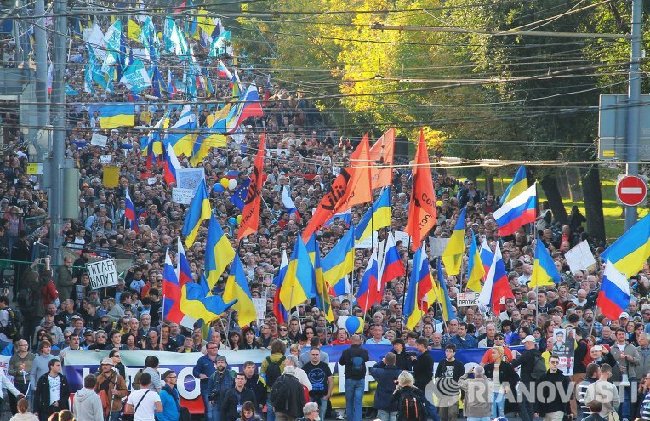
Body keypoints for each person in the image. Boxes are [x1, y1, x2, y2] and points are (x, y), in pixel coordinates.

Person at [610, 327, 641, 420]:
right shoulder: (612, 349)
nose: (621, 336)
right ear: (616, 336)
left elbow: (638, 361)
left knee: (632, 399)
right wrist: (617, 366)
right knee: (620, 399)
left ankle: (630, 418)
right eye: (619, 334)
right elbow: (609, 362)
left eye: (623, 334)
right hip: (617, 377)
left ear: (625, 335)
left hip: (631, 376)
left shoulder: (632, 347)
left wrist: (630, 358)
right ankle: (621, 417)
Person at [510, 335, 542, 421]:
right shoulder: (538, 353)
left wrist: (513, 356)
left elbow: (514, 364)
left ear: (528, 343)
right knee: (530, 404)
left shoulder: (527, 354)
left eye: (525, 343)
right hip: (535, 381)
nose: (524, 345)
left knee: (522, 404)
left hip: (526, 382)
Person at [338, 334, 369, 421]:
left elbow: (341, 362)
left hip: (349, 379)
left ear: (351, 340)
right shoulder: (364, 351)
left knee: (349, 402)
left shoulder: (346, 351)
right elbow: (366, 359)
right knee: (358, 402)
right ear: (360, 341)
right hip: (360, 379)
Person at [483, 346, 519, 419]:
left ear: (500, 354)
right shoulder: (488, 367)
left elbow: (515, 377)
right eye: (491, 353)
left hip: (502, 392)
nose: (492, 355)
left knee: (501, 412)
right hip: (491, 392)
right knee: (492, 413)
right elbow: (483, 378)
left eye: (494, 353)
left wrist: (508, 385)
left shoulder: (507, 366)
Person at [534, 354, 571, 421]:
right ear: (549, 363)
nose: (555, 364)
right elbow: (538, 394)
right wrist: (536, 409)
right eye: (553, 362)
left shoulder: (563, 378)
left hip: (558, 409)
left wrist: (569, 411)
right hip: (545, 410)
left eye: (556, 362)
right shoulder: (543, 377)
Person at [433, 343, 464, 421]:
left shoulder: (459, 364)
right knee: (442, 415)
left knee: (452, 414)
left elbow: (462, 379)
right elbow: (437, 376)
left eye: (450, 351)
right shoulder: (442, 362)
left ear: (454, 353)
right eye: (446, 351)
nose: (448, 353)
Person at [302, 347, 333, 421]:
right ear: (310, 355)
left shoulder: (325, 366)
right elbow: (302, 383)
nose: (315, 356)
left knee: (321, 418)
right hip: (310, 397)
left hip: (323, 396)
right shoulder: (305, 367)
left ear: (320, 355)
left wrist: (328, 395)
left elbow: (331, 380)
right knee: (309, 418)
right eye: (313, 354)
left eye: (316, 354)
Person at [369, 352, 402, 421]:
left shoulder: (380, 372)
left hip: (382, 401)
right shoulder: (400, 373)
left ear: (385, 361)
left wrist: (382, 362)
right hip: (395, 401)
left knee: (382, 417)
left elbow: (372, 368)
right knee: (394, 417)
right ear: (395, 361)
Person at [192, 341, 219, 421]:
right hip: (207, 389)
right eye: (212, 348)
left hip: (220, 389)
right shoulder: (202, 360)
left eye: (216, 347)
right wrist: (200, 375)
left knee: (219, 410)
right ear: (207, 350)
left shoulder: (221, 359)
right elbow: (195, 371)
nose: (215, 349)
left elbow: (227, 370)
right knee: (209, 411)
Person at [94, 357, 127, 421]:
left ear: (111, 366)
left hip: (114, 408)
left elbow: (125, 391)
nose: (104, 366)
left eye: (107, 364)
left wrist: (118, 392)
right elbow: (94, 391)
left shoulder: (118, 377)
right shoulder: (98, 378)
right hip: (102, 407)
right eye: (103, 365)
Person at [261, 340, 287, 421]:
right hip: (283, 390)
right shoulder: (285, 360)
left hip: (270, 389)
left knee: (270, 410)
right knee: (281, 412)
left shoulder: (266, 360)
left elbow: (261, 376)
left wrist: (267, 386)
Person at [8, 338, 33, 414]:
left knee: (29, 403)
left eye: (26, 345)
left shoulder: (32, 356)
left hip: (29, 382)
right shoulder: (13, 358)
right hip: (18, 383)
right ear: (19, 346)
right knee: (19, 403)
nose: (25, 347)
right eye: (23, 345)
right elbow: (10, 371)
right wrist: (18, 372)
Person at [208, 355, 236, 421]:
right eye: (219, 362)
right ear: (216, 364)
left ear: (226, 364)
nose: (220, 364)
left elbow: (236, 386)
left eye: (222, 362)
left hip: (230, 402)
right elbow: (209, 388)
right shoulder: (213, 376)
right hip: (217, 403)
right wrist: (210, 399)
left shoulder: (232, 374)